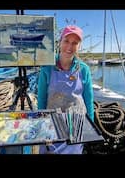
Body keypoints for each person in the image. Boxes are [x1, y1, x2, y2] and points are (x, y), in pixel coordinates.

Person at [37, 25, 94, 154]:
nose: (69, 46)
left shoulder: (84, 70)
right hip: (51, 126)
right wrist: (41, 124)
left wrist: (91, 128)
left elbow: (89, 101)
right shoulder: (47, 68)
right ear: (60, 42)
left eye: (75, 43)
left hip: (76, 127)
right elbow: (41, 99)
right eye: (66, 41)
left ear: (79, 46)